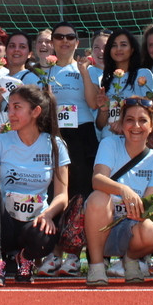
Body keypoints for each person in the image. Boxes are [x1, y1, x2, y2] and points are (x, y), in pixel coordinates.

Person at [0, 85, 70, 284]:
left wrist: (48, 215)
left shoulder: (56, 145)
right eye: (9, 107)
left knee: (46, 232)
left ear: (35, 111)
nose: (10, 113)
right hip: (4, 223)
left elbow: (62, 196)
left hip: (34, 223)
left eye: (17, 107)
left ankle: (25, 259)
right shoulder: (0, 141)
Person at [85, 97, 153, 286]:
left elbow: (148, 203)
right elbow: (97, 180)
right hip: (99, 226)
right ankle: (97, 267)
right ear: (121, 124)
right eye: (129, 120)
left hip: (132, 226)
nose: (136, 126)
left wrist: (135, 206)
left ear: (152, 126)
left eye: (143, 120)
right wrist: (123, 190)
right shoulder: (109, 144)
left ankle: (130, 261)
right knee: (98, 198)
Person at [41, 22, 99, 200]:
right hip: (53, 133)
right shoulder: (42, 71)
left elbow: (93, 103)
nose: (64, 41)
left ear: (77, 42)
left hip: (82, 133)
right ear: (52, 42)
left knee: (82, 187)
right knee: (54, 187)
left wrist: (84, 73)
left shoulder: (89, 69)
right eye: (59, 37)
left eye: (70, 37)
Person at [96, 29, 153, 131]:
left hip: (134, 136)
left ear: (132, 49)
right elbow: (100, 125)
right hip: (109, 138)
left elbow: (152, 112)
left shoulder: (143, 74)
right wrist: (104, 109)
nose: (118, 49)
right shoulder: (106, 79)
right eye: (114, 45)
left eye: (123, 45)